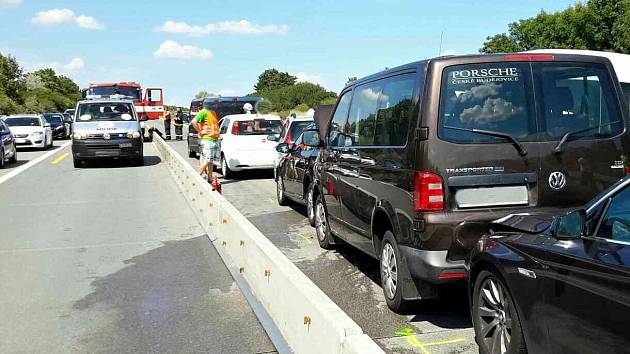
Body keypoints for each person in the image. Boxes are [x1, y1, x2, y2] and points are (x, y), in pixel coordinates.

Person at [191, 104, 220, 180]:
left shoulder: (213, 113)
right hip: (208, 139)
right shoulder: (204, 112)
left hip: (214, 138)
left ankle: (210, 177)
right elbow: (193, 122)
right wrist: (200, 131)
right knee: (208, 159)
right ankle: (196, 177)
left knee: (210, 160)